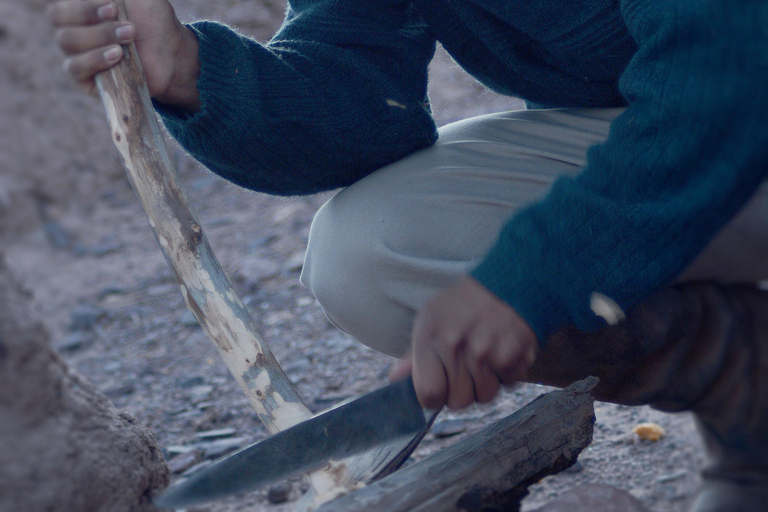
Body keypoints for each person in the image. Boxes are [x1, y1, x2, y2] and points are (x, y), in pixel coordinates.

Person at [48, 1, 768, 510]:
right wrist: (192, 71)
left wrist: (532, 276)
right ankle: (746, 383)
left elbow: (719, 74)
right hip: (691, 115)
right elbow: (363, 92)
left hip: (738, 86)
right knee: (372, 254)